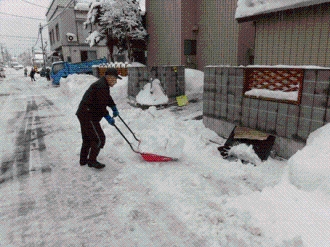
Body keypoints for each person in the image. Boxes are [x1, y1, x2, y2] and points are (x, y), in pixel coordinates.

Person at [76, 68, 121, 169]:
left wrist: (113, 107)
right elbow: (100, 106)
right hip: (88, 115)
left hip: (85, 113)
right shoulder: (102, 86)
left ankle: (83, 160)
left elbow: (107, 98)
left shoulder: (104, 85)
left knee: (87, 138)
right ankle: (92, 161)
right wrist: (108, 117)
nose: (116, 81)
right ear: (108, 77)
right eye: (114, 79)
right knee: (99, 139)